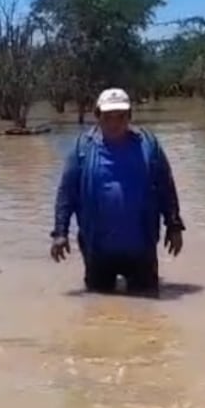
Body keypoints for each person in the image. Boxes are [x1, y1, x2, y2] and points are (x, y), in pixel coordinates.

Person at [49, 87, 185, 295]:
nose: (114, 123)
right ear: (97, 116)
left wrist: (174, 226)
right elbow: (67, 193)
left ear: (129, 116)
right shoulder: (82, 149)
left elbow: (165, 186)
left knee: (146, 306)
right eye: (108, 117)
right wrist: (60, 233)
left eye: (120, 116)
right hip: (97, 249)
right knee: (98, 306)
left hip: (141, 248)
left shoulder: (149, 145)